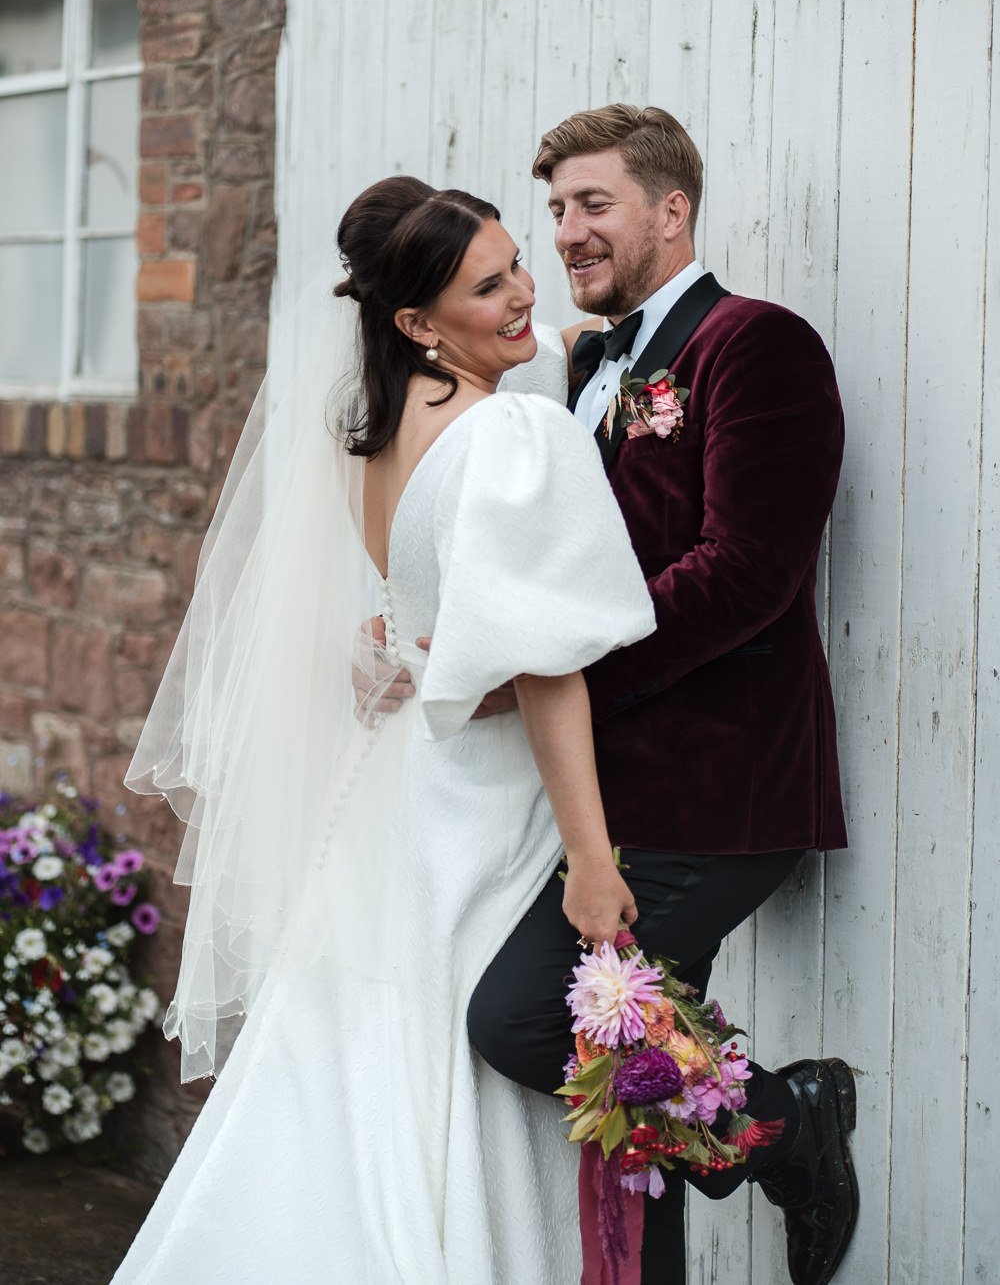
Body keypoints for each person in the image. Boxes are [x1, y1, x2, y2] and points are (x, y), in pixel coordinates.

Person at [110, 177, 657, 1283]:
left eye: (517, 265)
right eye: (486, 284)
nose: (521, 295)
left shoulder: (379, 413)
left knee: (359, 1060)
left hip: (398, 787)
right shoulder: (511, 435)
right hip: (486, 801)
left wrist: (586, 326)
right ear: (415, 319)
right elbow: (546, 672)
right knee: (444, 1076)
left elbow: (410, 605)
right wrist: (591, 866)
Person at [437, 105, 856, 1285]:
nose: (567, 230)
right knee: (628, 1103)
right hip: (605, 800)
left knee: (524, 1023)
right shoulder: (585, 362)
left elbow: (751, 571)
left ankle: (786, 1123)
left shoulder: (757, 343)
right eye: (559, 208)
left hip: (721, 792)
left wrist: (560, 669)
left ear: (671, 211)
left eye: (595, 204)